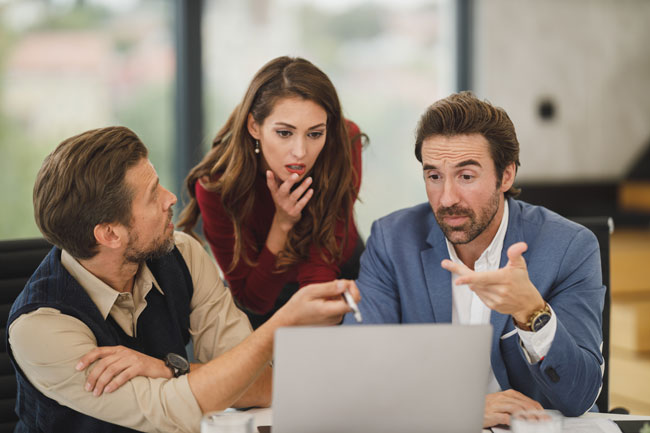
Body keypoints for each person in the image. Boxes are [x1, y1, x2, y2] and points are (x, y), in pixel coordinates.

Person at [6, 126, 360, 433]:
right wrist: (281, 324)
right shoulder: (39, 328)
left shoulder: (182, 253)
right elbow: (176, 416)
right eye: (152, 195)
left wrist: (168, 369)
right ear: (110, 234)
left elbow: (262, 382)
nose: (171, 199)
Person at [343, 92, 605, 427]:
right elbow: (358, 371)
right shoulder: (392, 241)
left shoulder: (570, 247)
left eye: (466, 176)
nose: (447, 197)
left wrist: (532, 313)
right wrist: (453, 408)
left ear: (506, 176)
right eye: (434, 176)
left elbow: (579, 396)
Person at [178, 56, 365, 328]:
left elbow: (322, 257)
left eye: (314, 134)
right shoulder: (216, 186)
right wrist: (282, 224)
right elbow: (252, 299)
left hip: (335, 274)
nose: (300, 152)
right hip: (264, 294)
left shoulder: (343, 142)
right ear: (255, 126)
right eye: (284, 133)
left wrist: (319, 315)